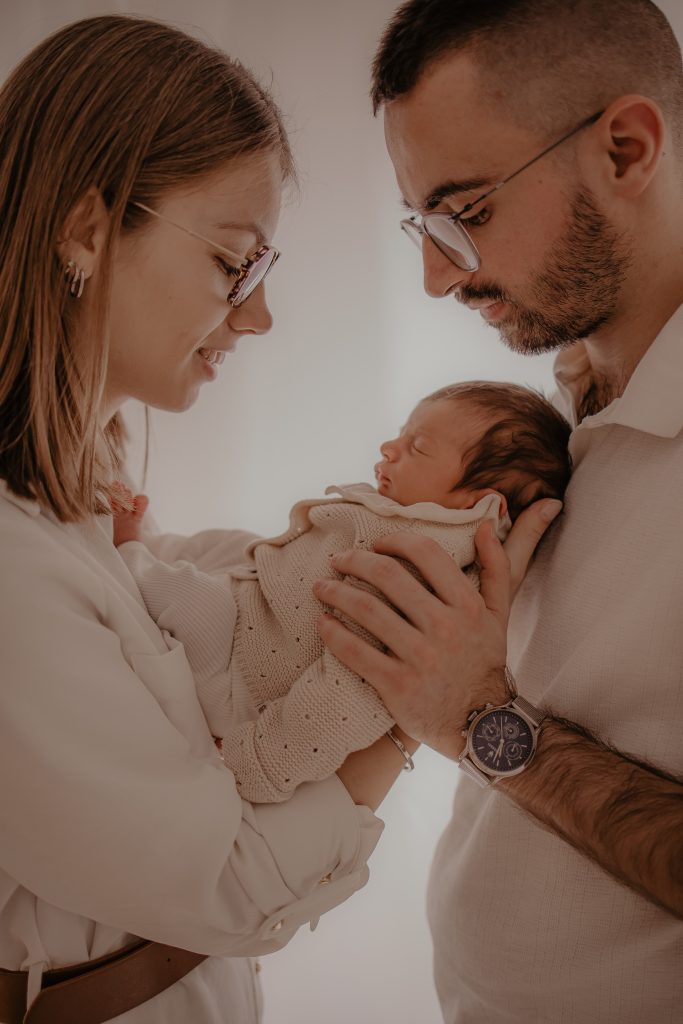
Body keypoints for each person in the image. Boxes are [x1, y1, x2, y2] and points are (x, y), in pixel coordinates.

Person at [0, 14, 447, 1023]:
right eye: (231, 264)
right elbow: (232, 883)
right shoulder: (11, 571)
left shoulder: (81, 532)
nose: (255, 317)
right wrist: (410, 702)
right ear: (85, 229)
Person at [313, 0, 683, 1020]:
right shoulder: (559, 409)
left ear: (623, 147)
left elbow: (487, 718)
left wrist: (481, 720)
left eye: (464, 211)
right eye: (420, 225)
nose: (435, 275)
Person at [110, 381, 571, 804]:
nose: (389, 448)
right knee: (221, 546)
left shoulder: (425, 569)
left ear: (478, 503)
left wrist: (254, 762)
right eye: (400, 434)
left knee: (192, 598)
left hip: (239, 673)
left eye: (419, 447)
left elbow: (346, 698)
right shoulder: (406, 525)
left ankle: (125, 551)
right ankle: (147, 549)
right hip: (257, 609)